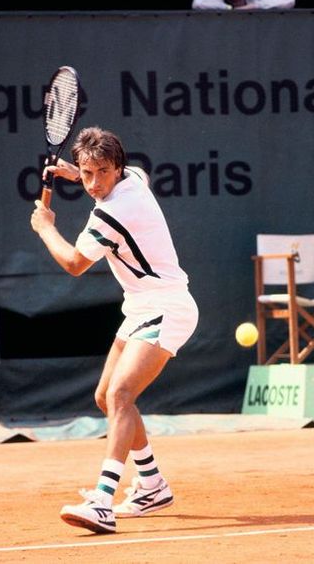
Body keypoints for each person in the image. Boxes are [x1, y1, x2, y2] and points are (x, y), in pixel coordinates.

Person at [30, 127, 199, 534]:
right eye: (86, 174)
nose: (93, 183)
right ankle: (152, 484)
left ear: (116, 168)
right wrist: (73, 172)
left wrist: (45, 227)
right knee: (106, 397)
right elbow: (137, 170)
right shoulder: (133, 177)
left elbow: (73, 263)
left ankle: (103, 501)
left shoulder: (112, 213)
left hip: (167, 307)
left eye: (101, 173)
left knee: (122, 394)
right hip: (141, 307)